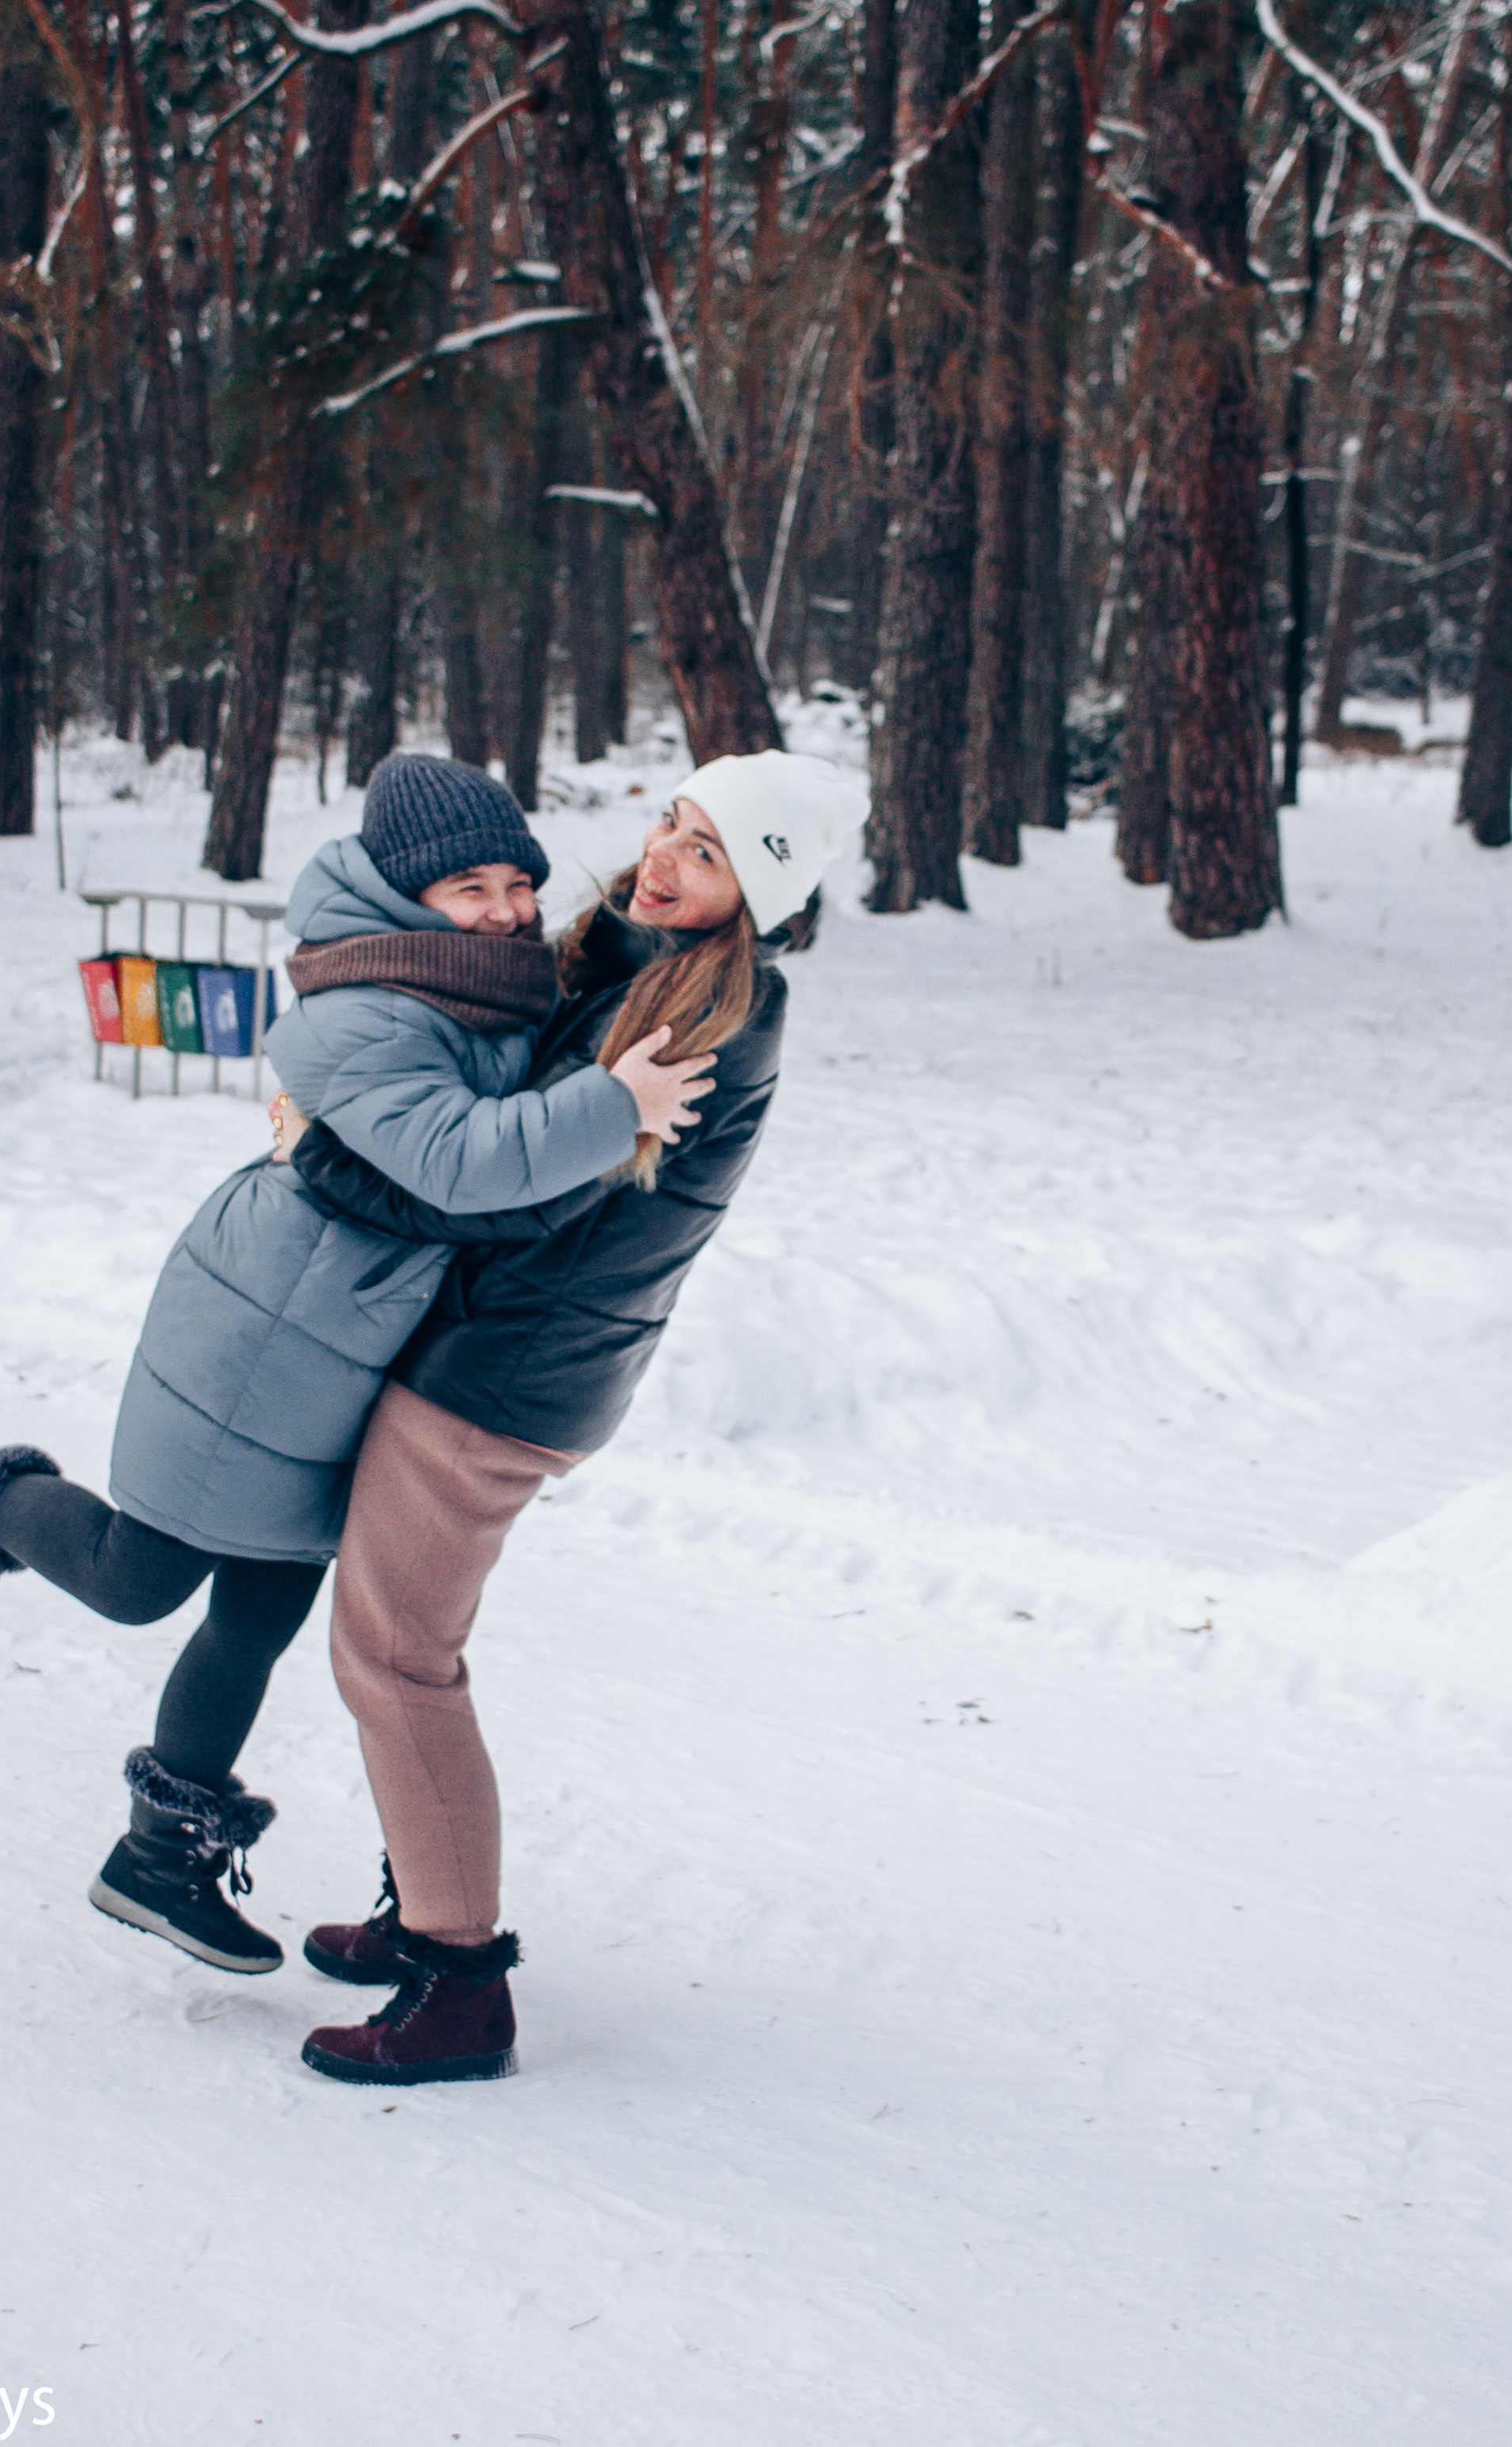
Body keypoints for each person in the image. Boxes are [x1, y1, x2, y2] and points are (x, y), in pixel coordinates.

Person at [0, 755, 711, 1980]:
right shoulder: (369, 1006)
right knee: (142, 1579)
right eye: (472, 886)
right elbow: (460, 1165)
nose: (507, 910)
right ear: (407, 893)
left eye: (520, 882)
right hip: (259, 1340)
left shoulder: (476, 979)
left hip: (338, 1355)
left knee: (263, 1609)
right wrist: (615, 1108)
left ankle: (158, 1856)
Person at [277, 750, 867, 2086]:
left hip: (509, 1370)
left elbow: (525, 1192)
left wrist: (325, 1155)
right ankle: (419, 1900)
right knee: (393, 1647)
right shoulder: (620, 951)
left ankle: (457, 1986)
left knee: (397, 1658)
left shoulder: (705, 1017)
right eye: (673, 820)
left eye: (709, 853)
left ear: (759, 897)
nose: (662, 856)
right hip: (497, 1344)